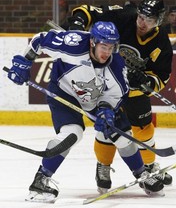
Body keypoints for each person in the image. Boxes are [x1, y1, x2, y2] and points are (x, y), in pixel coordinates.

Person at [6, 21, 164, 203]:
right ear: (92, 42)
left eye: (111, 47)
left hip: (96, 100)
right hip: (64, 93)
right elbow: (40, 39)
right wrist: (25, 62)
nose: (107, 52)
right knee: (73, 133)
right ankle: (41, 180)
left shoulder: (117, 68)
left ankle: (141, 173)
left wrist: (106, 111)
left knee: (120, 134)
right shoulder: (72, 43)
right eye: (104, 46)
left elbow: (114, 96)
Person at [68, 0, 173, 193]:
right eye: (141, 17)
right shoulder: (125, 16)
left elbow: (162, 76)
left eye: (149, 20)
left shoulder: (161, 42)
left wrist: (145, 82)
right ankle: (103, 167)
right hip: (107, 86)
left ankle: (149, 166)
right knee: (108, 128)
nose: (142, 23)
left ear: (158, 21)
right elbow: (90, 11)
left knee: (144, 129)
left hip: (134, 93)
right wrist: (79, 20)